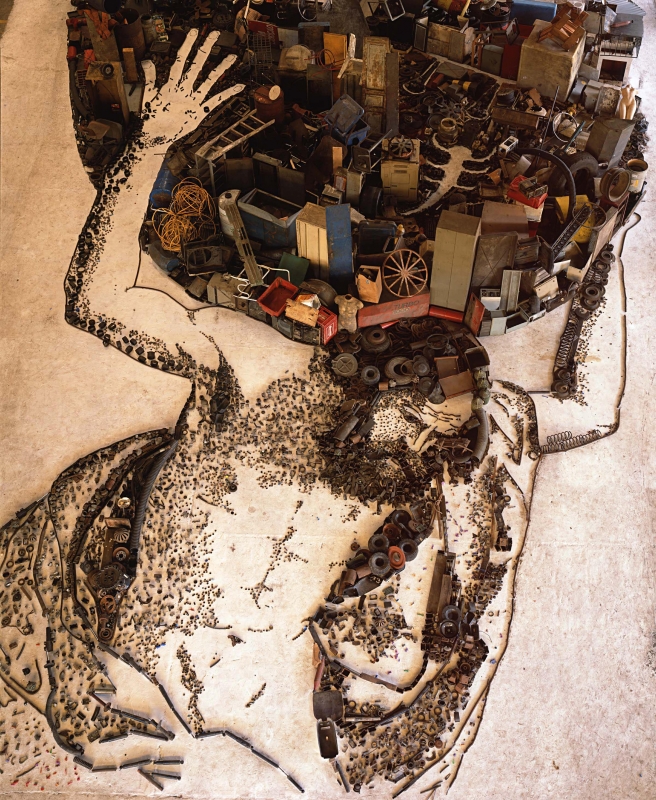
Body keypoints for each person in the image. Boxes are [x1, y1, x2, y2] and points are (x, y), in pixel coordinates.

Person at [0, 27, 629, 796]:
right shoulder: (255, 370)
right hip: (76, 661)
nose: (425, 441)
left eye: (441, 431)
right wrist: (153, 140)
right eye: (418, 415)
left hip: (232, 738)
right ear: (376, 380)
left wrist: (615, 248)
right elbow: (96, 302)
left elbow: (587, 410)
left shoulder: (441, 459)